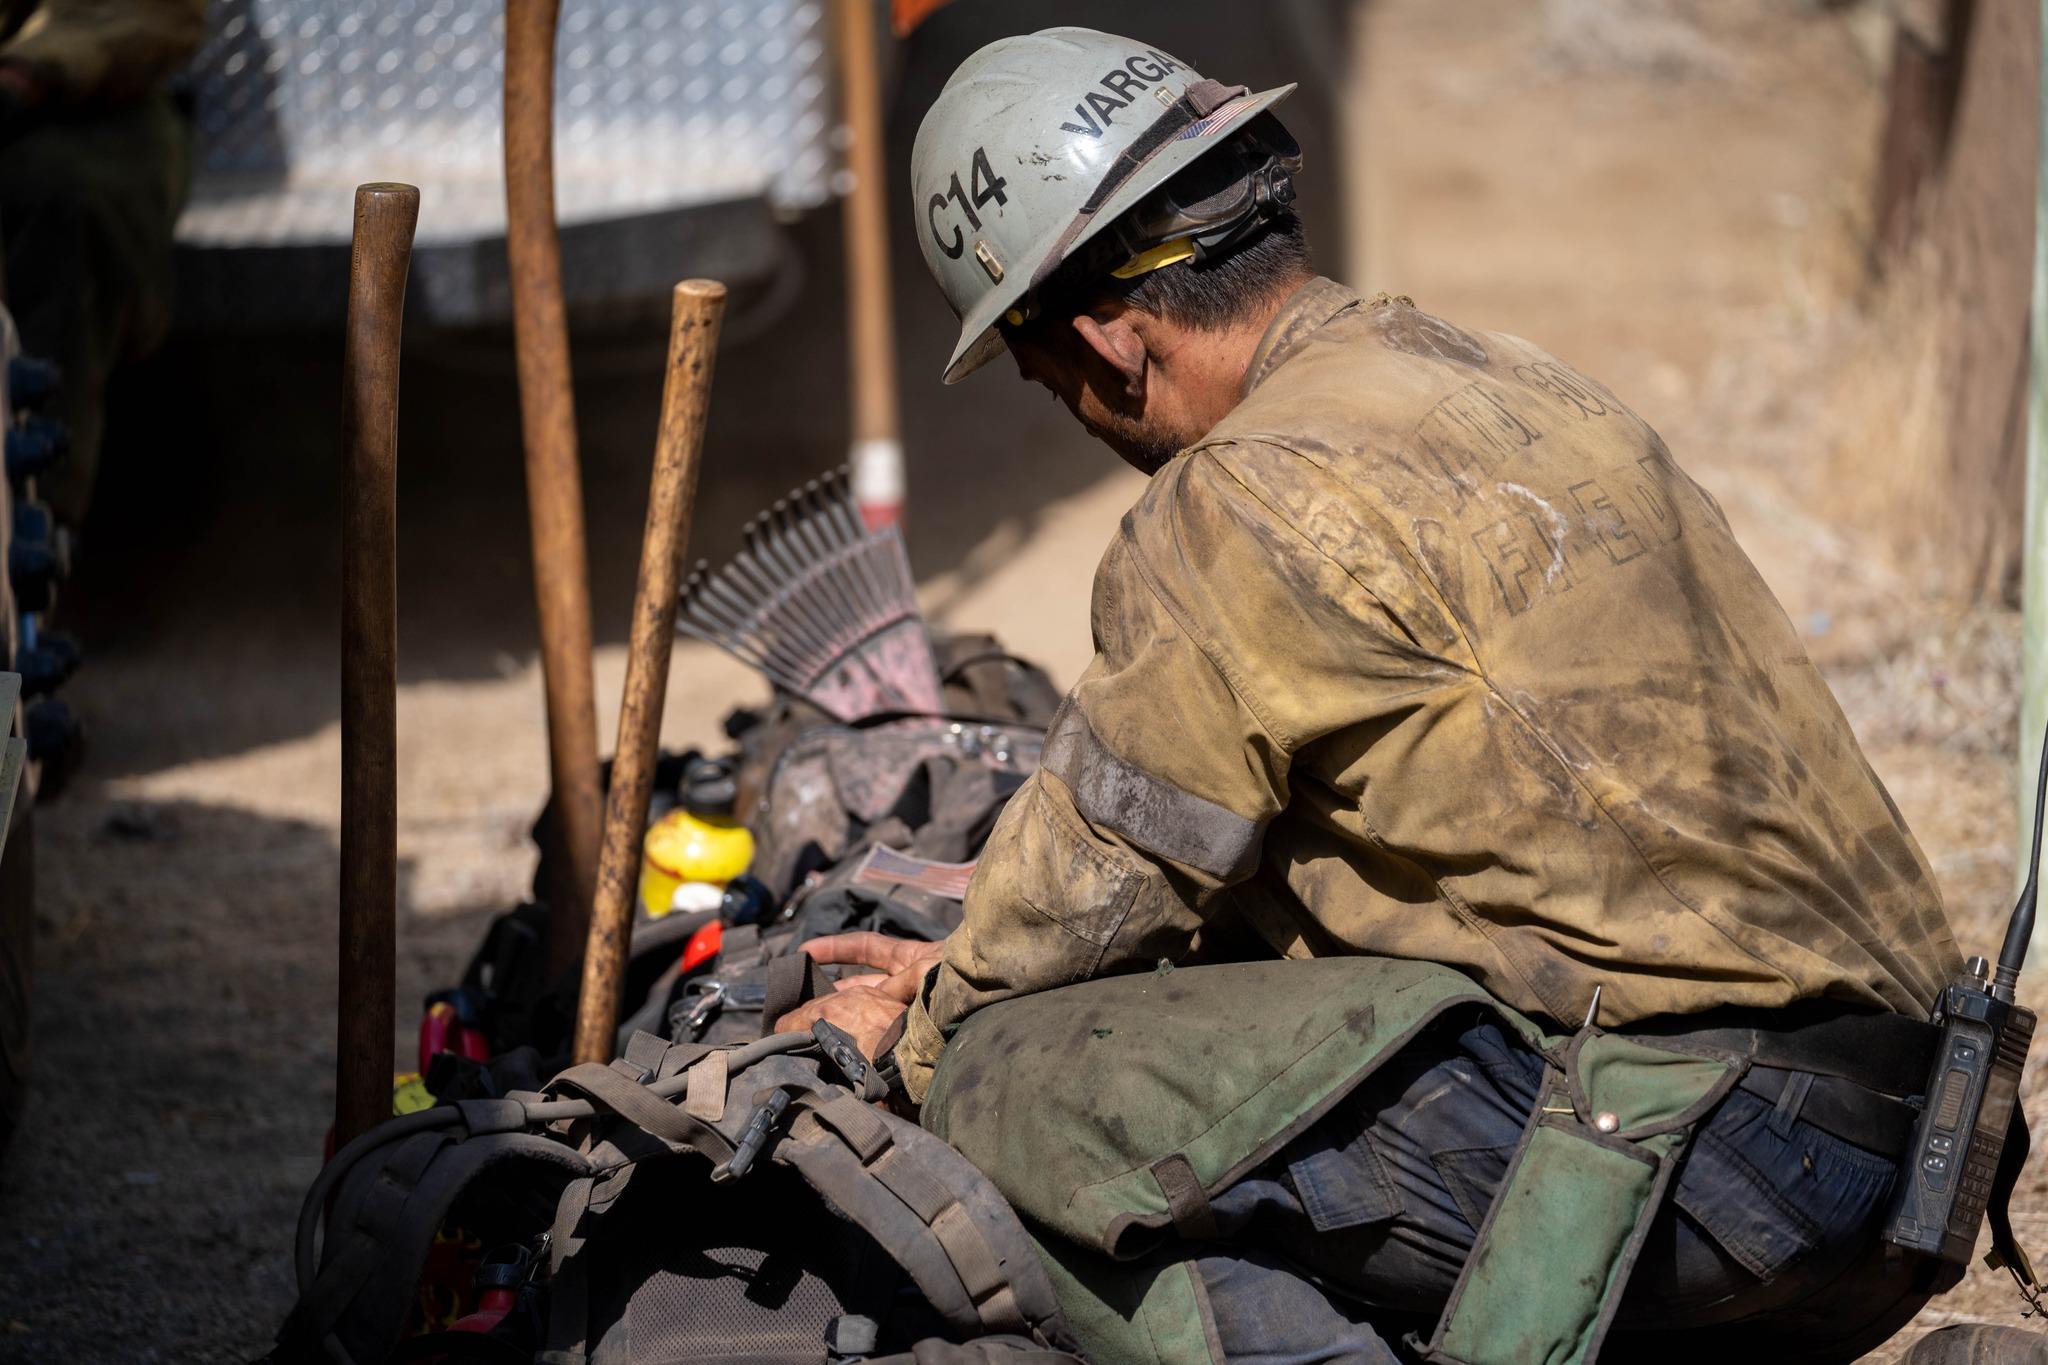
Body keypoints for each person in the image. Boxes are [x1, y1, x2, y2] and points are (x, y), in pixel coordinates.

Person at [782, 27, 1991, 1362]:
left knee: (1005, 1086)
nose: (1072, 408)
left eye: (1045, 376)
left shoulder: (1236, 495)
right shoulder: (1499, 377)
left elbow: (1101, 878)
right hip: (1905, 1142)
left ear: (1106, 345)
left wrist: (925, 1034)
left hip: (1708, 1155)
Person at [0, 0, 207, 525]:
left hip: (72, 94)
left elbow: (145, 14)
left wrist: (27, 75)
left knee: (69, 204)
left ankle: (32, 516)